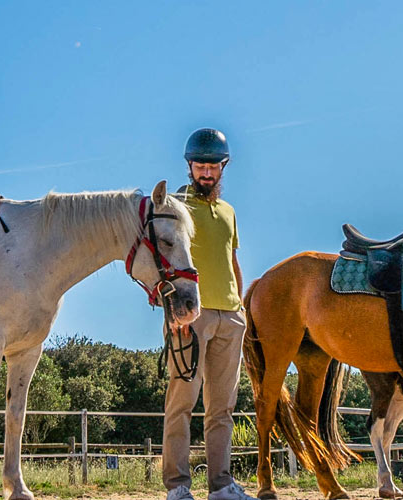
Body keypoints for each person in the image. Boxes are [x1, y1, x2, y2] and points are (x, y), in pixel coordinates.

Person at [163, 128, 258, 500]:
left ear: (223, 168)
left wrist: (241, 308)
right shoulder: (174, 205)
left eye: (213, 167)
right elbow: (164, 261)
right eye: (200, 166)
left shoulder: (228, 211)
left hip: (230, 317)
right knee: (181, 402)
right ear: (189, 167)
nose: (206, 173)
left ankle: (220, 486)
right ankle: (178, 486)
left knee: (223, 407)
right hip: (190, 317)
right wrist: (173, 311)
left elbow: (232, 260)